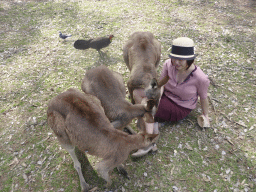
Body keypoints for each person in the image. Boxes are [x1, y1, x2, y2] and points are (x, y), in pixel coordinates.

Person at [132, 37, 210, 157]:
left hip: (180, 107)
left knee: (146, 105)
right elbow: (162, 83)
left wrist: (206, 115)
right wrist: (155, 95)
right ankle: (151, 124)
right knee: (137, 93)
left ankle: (149, 141)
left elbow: (204, 98)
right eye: (174, 58)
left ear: (190, 60)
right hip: (165, 97)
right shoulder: (168, 64)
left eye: (180, 60)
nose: (176, 63)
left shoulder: (200, 78)